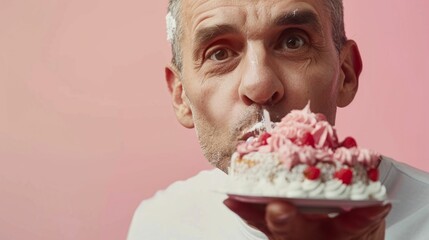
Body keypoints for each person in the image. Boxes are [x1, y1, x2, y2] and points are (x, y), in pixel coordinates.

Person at [128, 0, 429, 239]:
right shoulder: (159, 225)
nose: (259, 86)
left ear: (346, 74)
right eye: (219, 54)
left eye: (293, 42)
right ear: (181, 97)